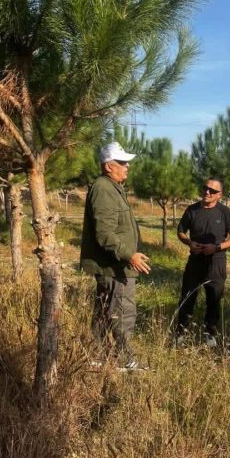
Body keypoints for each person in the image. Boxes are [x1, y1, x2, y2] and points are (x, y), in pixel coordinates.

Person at [80, 141, 150, 371]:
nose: (127, 166)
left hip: (113, 265)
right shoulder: (103, 188)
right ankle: (126, 360)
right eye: (122, 162)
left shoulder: (112, 187)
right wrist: (130, 255)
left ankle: (97, 357)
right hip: (115, 266)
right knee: (122, 312)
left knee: (104, 311)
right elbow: (104, 233)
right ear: (108, 166)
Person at [175, 178, 230, 347]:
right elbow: (181, 232)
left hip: (216, 262)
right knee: (187, 296)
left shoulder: (225, 212)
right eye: (205, 188)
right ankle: (180, 332)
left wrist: (217, 247)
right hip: (195, 260)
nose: (207, 192)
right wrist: (190, 243)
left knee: (214, 298)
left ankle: (210, 333)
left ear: (220, 195)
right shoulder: (192, 210)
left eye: (212, 190)